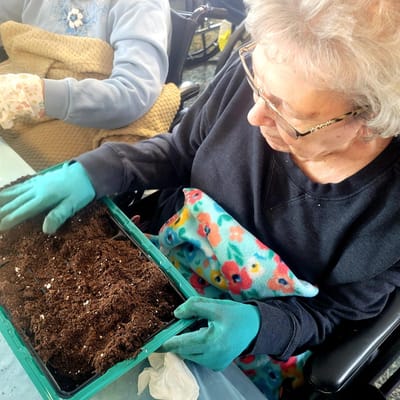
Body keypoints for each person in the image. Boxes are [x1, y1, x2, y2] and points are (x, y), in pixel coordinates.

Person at [1, 0, 400, 398]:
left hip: (254, 342)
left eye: (287, 113)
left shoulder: (388, 215)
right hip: (163, 264)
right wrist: (95, 170)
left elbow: (336, 314)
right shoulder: (270, 75)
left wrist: (260, 326)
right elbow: (180, 151)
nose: (253, 115)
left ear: (366, 123)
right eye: (257, 82)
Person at [0, 0, 179, 170]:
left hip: (88, 120)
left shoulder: (141, 6)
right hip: (25, 106)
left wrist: (36, 94)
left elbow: (132, 92)